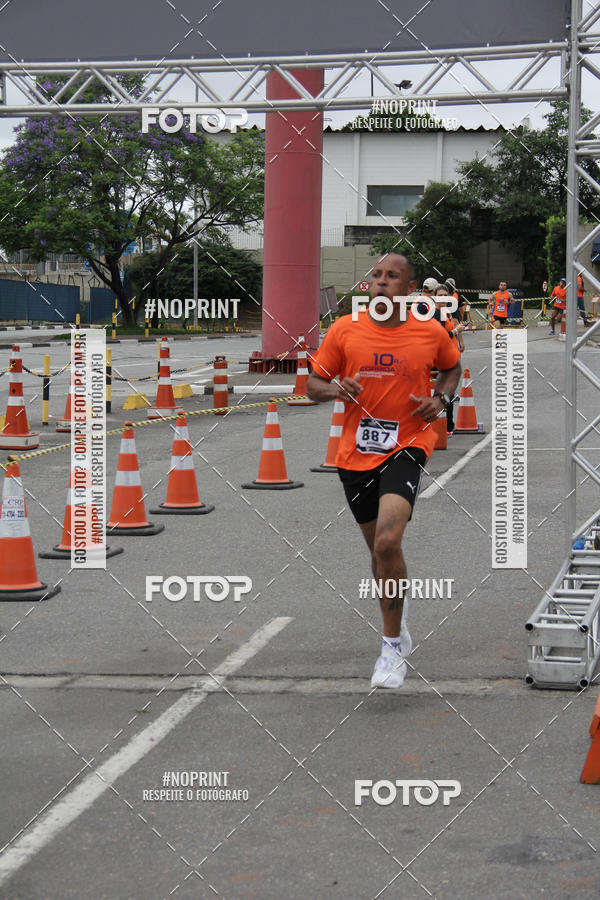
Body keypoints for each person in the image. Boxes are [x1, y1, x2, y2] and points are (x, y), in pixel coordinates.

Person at [306, 253, 462, 688]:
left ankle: (391, 648)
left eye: (392, 276)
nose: (381, 282)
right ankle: (399, 615)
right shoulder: (344, 331)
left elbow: (451, 368)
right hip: (356, 453)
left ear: (408, 289)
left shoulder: (429, 330)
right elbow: (310, 385)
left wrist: (441, 399)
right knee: (379, 553)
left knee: (389, 541)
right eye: (376, 275)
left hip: (408, 443)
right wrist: (335, 388)